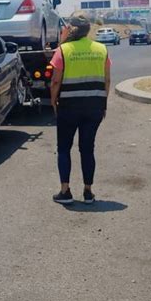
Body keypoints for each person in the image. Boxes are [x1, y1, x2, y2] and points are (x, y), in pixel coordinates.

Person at [49, 15, 111, 204]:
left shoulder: (63, 50)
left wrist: (53, 101)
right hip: (94, 106)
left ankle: (65, 191)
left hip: (68, 106)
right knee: (87, 149)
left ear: (71, 29)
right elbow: (107, 80)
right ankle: (88, 192)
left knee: (64, 148)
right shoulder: (101, 49)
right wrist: (102, 102)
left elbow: (56, 81)